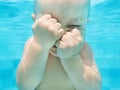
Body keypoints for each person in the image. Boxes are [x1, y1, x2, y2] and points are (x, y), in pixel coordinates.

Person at [16, 0, 102, 90]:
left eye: (75, 26)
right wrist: (39, 45)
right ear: (35, 21)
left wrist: (72, 57)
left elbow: (94, 88)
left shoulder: (83, 49)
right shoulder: (33, 44)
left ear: (86, 24)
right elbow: (24, 86)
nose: (61, 34)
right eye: (51, 23)